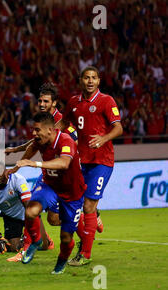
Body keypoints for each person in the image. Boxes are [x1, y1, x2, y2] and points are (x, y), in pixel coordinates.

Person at [59, 66, 123, 266]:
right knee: (74, 205)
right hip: (80, 161)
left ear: (99, 81)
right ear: (80, 80)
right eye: (86, 78)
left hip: (101, 161)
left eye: (93, 78)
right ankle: (95, 216)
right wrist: (51, 134)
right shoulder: (73, 102)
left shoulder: (106, 101)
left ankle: (85, 254)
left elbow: (118, 128)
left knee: (87, 206)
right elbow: (64, 123)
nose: (90, 81)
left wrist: (104, 138)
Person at [10, 112, 87, 274]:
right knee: (31, 211)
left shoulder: (66, 141)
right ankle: (36, 241)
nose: (34, 134)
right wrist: (17, 167)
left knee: (66, 238)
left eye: (37, 130)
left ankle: (61, 261)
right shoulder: (40, 141)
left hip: (72, 192)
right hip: (50, 186)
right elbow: (31, 148)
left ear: (50, 130)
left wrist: (35, 164)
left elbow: (65, 163)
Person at [0, 162, 54, 262]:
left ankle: (45, 239)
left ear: (6, 171)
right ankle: (24, 240)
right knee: (13, 248)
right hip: (11, 217)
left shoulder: (17, 180)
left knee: (44, 246)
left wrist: (28, 234)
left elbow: (29, 207)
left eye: (0, 172)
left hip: (28, 214)